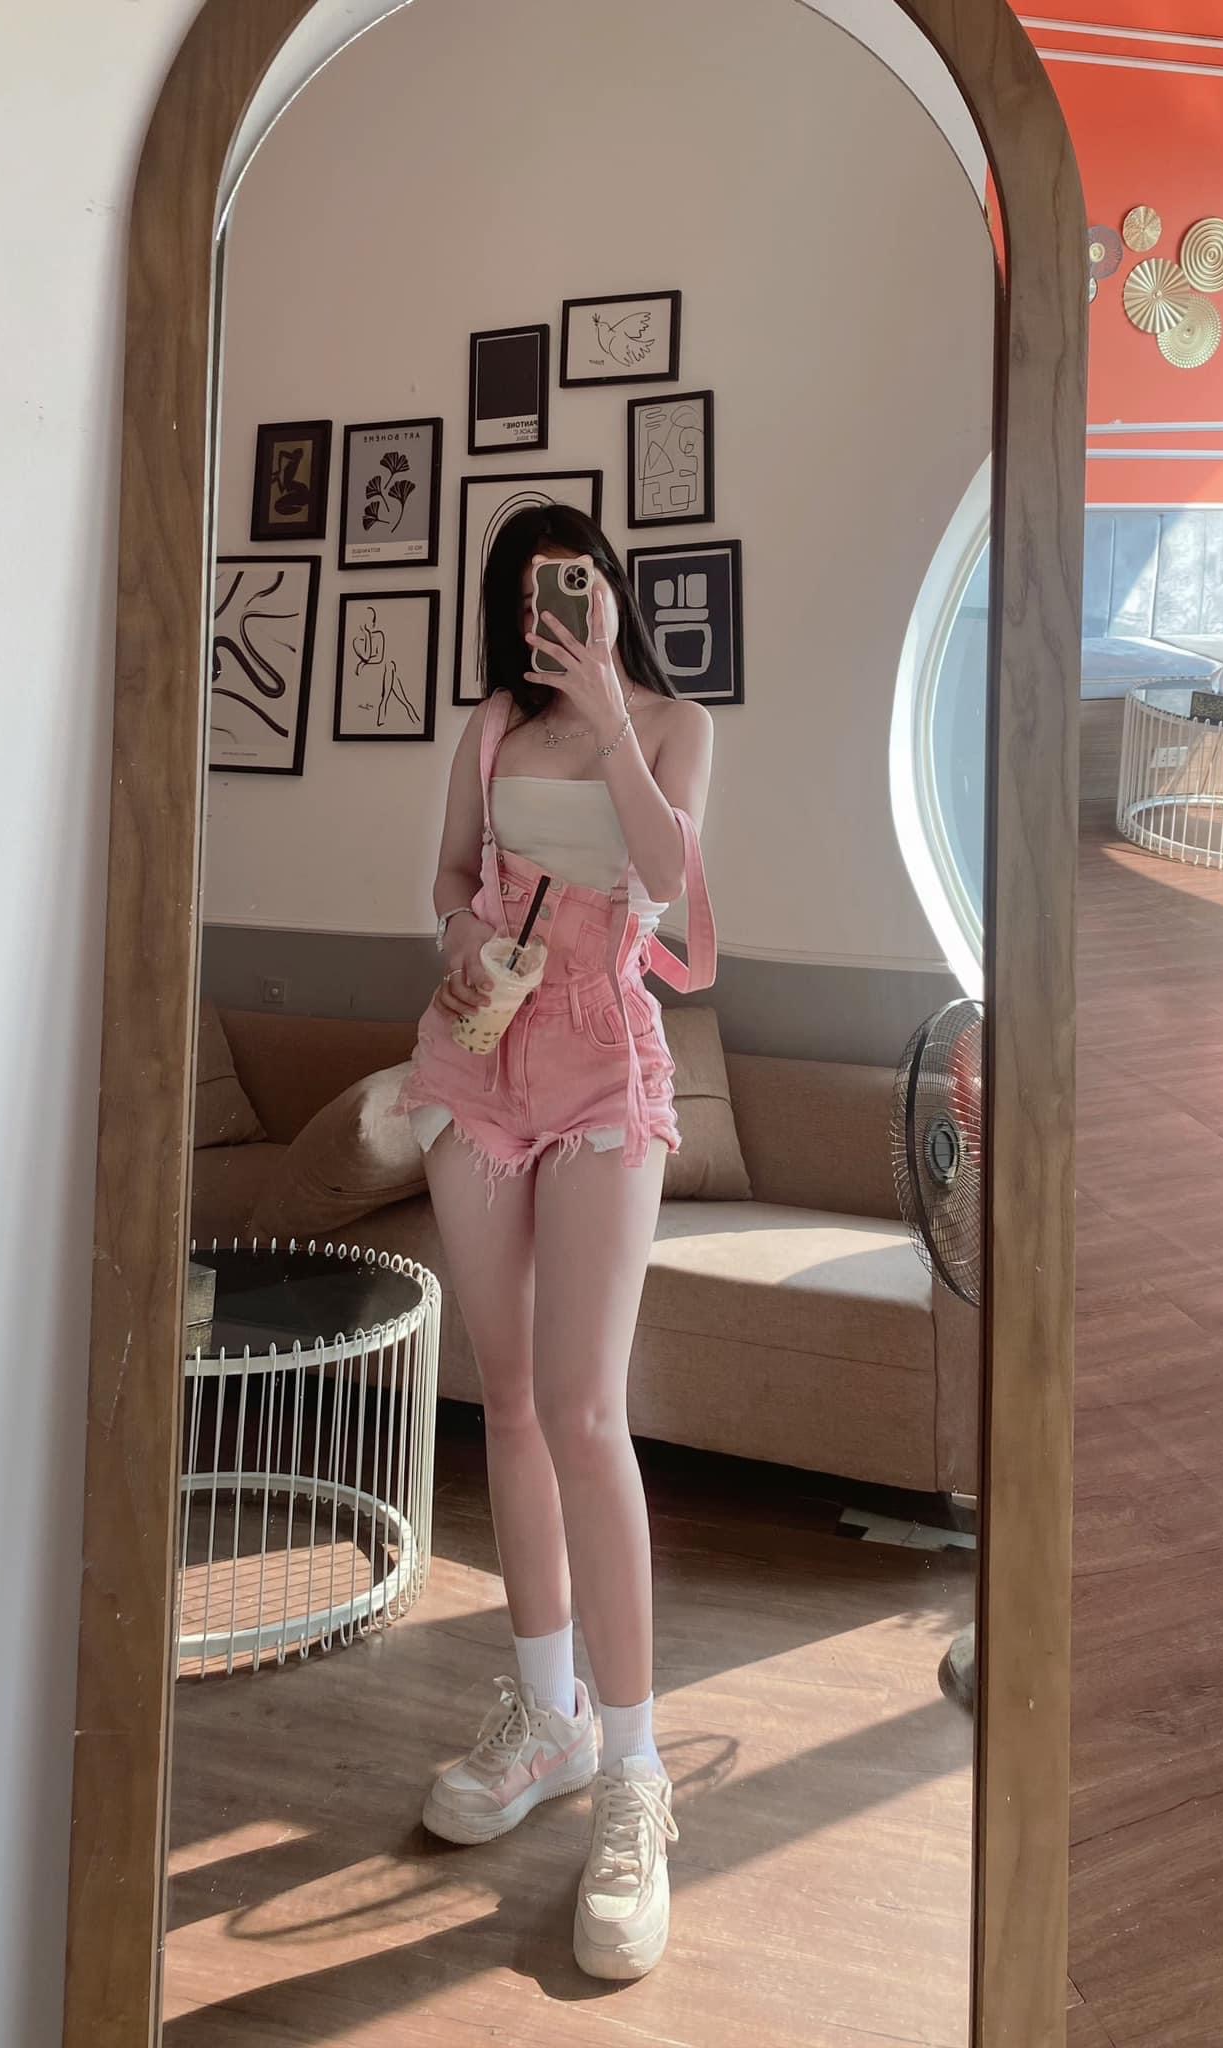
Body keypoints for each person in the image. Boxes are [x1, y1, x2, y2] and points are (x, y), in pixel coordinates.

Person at [394, 503, 715, 1980]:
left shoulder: (676, 725)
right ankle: (550, 1718)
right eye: (528, 596)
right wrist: (465, 939)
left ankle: (636, 1772)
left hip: (601, 1061)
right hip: (478, 1054)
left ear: (610, 591)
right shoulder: (488, 728)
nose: (551, 614)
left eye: (571, 586)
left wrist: (611, 714)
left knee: (588, 1411)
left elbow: (667, 877)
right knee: (510, 1401)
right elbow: (449, 879)